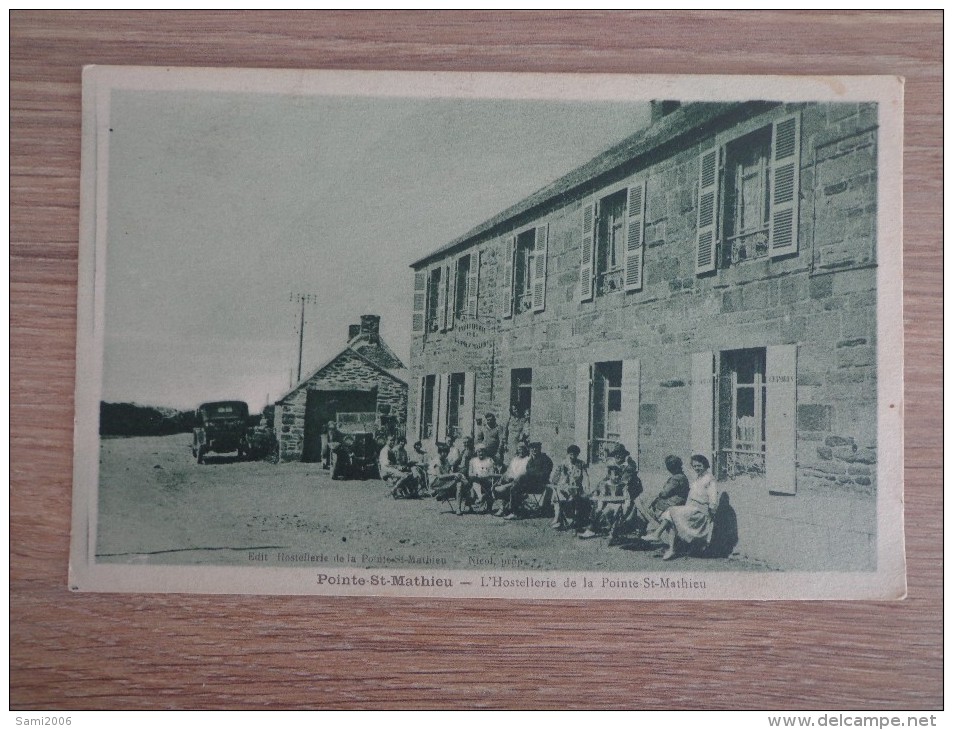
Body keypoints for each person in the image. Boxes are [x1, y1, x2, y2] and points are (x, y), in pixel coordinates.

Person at [646, 454, 719, 560]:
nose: (696, 468)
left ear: (705, 465)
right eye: (694, 466)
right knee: (669, 515)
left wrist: (711, 513)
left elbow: (713, 499)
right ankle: (671, 549)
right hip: (691, 509)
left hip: (700, 511)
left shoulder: (709, 479)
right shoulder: (698, 478)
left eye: (699, 465)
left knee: (671, 511)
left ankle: (658, 535)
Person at [611, 455, 690, 544]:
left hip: (671, 504)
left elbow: (664, 493)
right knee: (641, 502)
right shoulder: (682, 476)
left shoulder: (676, 478)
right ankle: (638, 530)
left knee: (640, 501)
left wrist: (658, 494)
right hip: (674, 502)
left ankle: (635, 528)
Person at [578, 445, 642, 538]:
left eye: (620, 454)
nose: (618, 456)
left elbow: (625, 483)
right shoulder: (613, 467)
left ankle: (606, 528)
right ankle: (592, 528)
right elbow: (605, 480)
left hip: (625, 495)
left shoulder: (629, 467)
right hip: (612, 495)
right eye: (616, 454)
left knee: (616, 506)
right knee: (598, 502)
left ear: (624, 455)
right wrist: (596, 490)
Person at [496, 442, 554, 519]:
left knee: (517, 484)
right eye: (532, 448)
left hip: (540, 485)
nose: (534, 450)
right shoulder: (531, 460)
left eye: (536, 448)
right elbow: (528, 471)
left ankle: (514, 512)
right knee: (514, 487)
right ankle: (510, 509)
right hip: (530, 484)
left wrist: (531, 475)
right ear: (530, 449)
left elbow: (544, 474)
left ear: (540, 448)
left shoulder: (545, 459)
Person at [549, 445, 589, 530]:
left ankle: (571, 519)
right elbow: (555, 476)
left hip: (576, 488)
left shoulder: (581, 464)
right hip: (564, 487)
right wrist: (554, 483)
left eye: (575, 454)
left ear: (577, 455)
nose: (572, 456)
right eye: (571, 454)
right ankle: (557, 518)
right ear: (568, 454)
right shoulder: (563, 463)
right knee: (558, 495)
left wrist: (587, 485)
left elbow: (585, 476)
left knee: (574, 498)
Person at [492, 442, 531, 515]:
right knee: (501, 482)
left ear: (526, 450)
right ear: (517, 450)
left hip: (522, 482)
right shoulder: (514, 459)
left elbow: (526, 473)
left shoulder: (528, 459)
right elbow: (509, 471)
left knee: (507, 486)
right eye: (519, 449)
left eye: (523, 449)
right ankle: (503, 507)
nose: (521, 451)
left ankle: (507, 508)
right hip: (511, 480)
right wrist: (504, 477)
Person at [463, 443, 499, 514]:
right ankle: (479, 497)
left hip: (487, 481)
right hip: (475, 481)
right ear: (476, 452)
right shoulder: (473, 461)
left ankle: (488, 506)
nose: (481, 453)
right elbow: (470, 473)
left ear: (485, 452)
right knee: (474, 482)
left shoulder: (489, 460)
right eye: (479, 451)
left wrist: (486, 476)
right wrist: (475, 475)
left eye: (482, 451)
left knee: (485, 485)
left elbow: (492, 473)